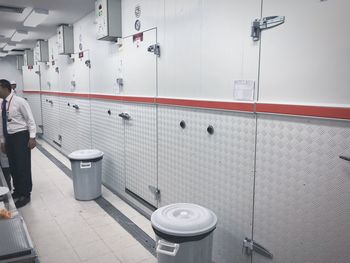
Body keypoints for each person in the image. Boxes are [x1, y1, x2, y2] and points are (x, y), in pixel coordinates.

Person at [0, 79, 36, 208]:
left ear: (5, 88)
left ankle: (25, 194)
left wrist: (32, 137)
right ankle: (18, 190)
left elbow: (30, 120)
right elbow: (1, 123)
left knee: (23, 166)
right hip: (9, 137)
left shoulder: (19, 102)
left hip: (21, 136)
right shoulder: (1, 103)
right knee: (13, 166)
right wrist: (3, 141)